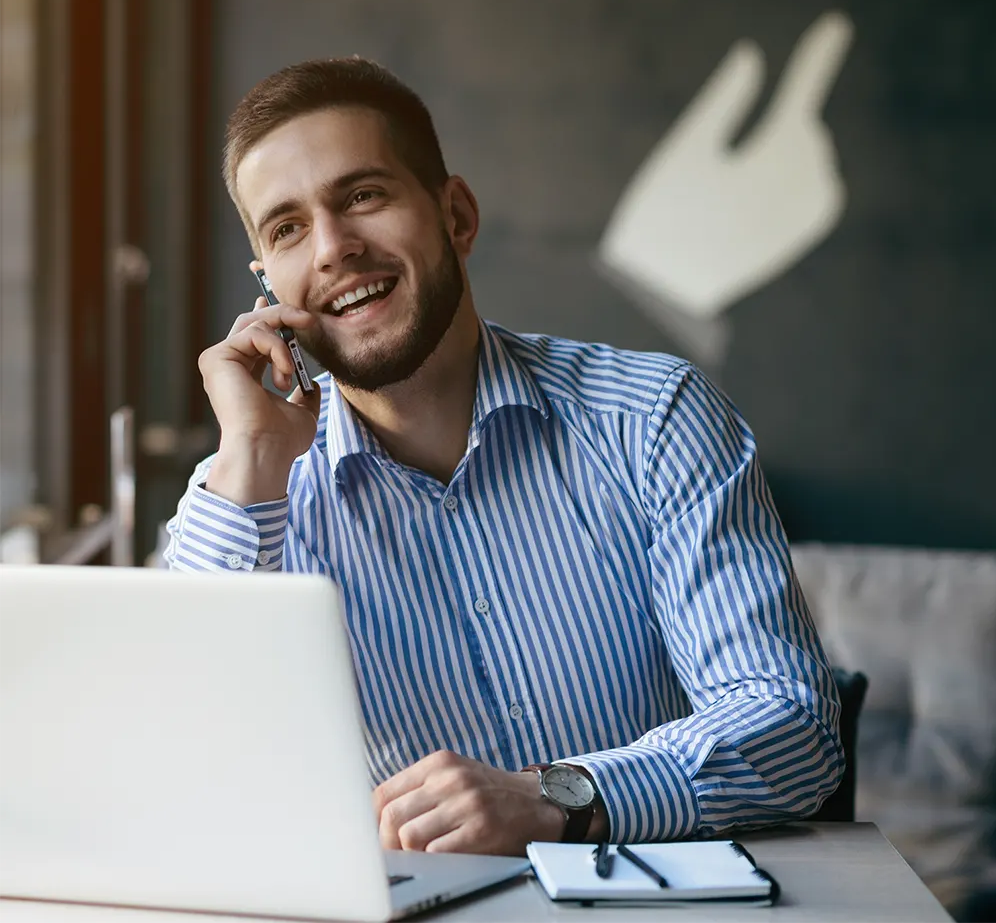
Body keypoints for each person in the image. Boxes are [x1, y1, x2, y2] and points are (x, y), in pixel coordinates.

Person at [165, 56, 844, 857]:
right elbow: (184, 776)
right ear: (268, 284)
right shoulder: (251, 495)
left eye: (362, 197)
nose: (332, 249)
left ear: (456, 215)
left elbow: (791, 726)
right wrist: (248, 456)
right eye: (287, 229)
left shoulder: (652, 418)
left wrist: (549, 795)